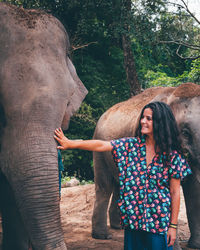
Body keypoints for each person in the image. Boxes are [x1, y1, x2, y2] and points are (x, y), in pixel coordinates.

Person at [54, 101, 192, 250]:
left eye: (149, 119)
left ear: (160, 122)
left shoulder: (172, 157)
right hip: (133, 224)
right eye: (143, 117)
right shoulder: (131, 146)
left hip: (158, 226)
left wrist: (173, 226)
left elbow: (175, 192)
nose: (143, 122)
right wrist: (71, 143)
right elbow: (102, 145)